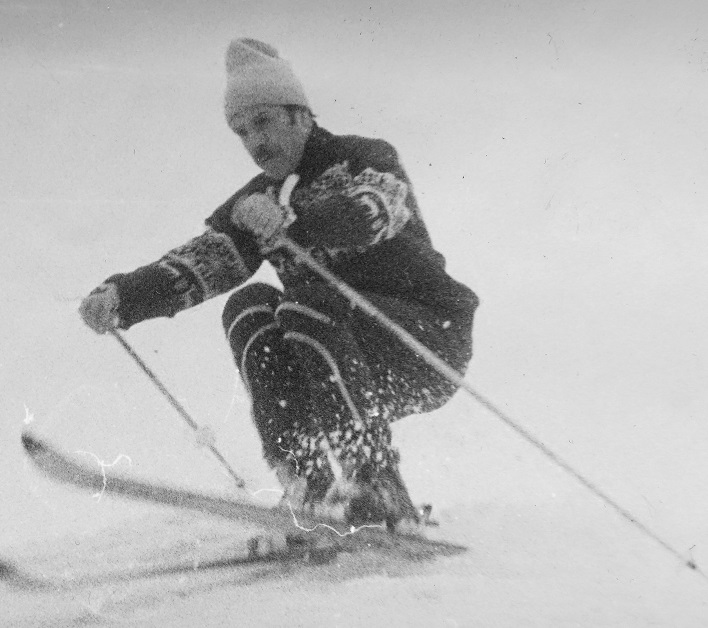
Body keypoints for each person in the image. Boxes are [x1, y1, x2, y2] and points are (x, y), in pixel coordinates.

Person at [79, 38, 478, 528]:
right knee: (251, 306)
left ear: (302, 117)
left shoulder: (366, 159)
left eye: (264, 122)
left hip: (424, 341)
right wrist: (123, 298)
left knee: (306, 304)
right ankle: (308, 479)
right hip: (335, 355)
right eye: (242, 131)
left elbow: (372, 212)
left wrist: (293, 219)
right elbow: (200, 265)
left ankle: (374, 480)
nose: (255, 142)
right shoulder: (253, 203)